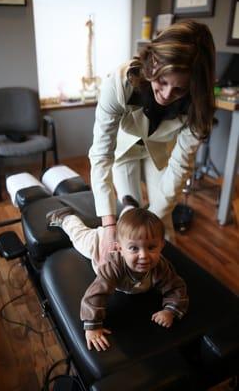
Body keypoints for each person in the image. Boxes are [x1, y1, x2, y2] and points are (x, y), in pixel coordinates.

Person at [88, 19, 216, 259]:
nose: (167, 95)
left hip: (158, 152)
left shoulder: (199, 107)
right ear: (152, 62)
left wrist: (150, 228)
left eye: (179, 90)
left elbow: (180, 165)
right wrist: (108, 226)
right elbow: (101, 155)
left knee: (162, 225)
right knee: (129, 215)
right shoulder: (120, 83)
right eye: (162, 81)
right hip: (123, 150)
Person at [46, 197, 189, 352]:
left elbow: (176, 287)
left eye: (151, 247)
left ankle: (130, 208)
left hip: (123, 237)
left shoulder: (160, 266)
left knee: (132, 227)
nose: (143, 255)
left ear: (162, 245)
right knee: (79, 237)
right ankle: (66, 217)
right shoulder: (113, 266)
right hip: (100, 243)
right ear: (119, 248)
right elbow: (95, 295)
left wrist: (170, 310)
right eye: (134, 249)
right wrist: (92, 327)